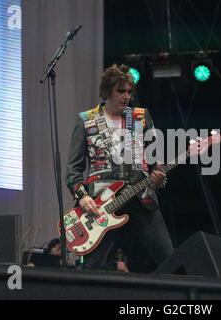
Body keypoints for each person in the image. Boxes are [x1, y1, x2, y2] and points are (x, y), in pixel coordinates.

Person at [65, 64, 174, 270]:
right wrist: (83, 196)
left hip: (141, 197)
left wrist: (159, 174)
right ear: (107, 91)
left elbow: (154, 160)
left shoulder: (141, 117)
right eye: (121, 91)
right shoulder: (87, 120)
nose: (126, 96)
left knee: (168, 257)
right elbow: (73, 169)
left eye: (129, 92)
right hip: (101, 202)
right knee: (91, 266)